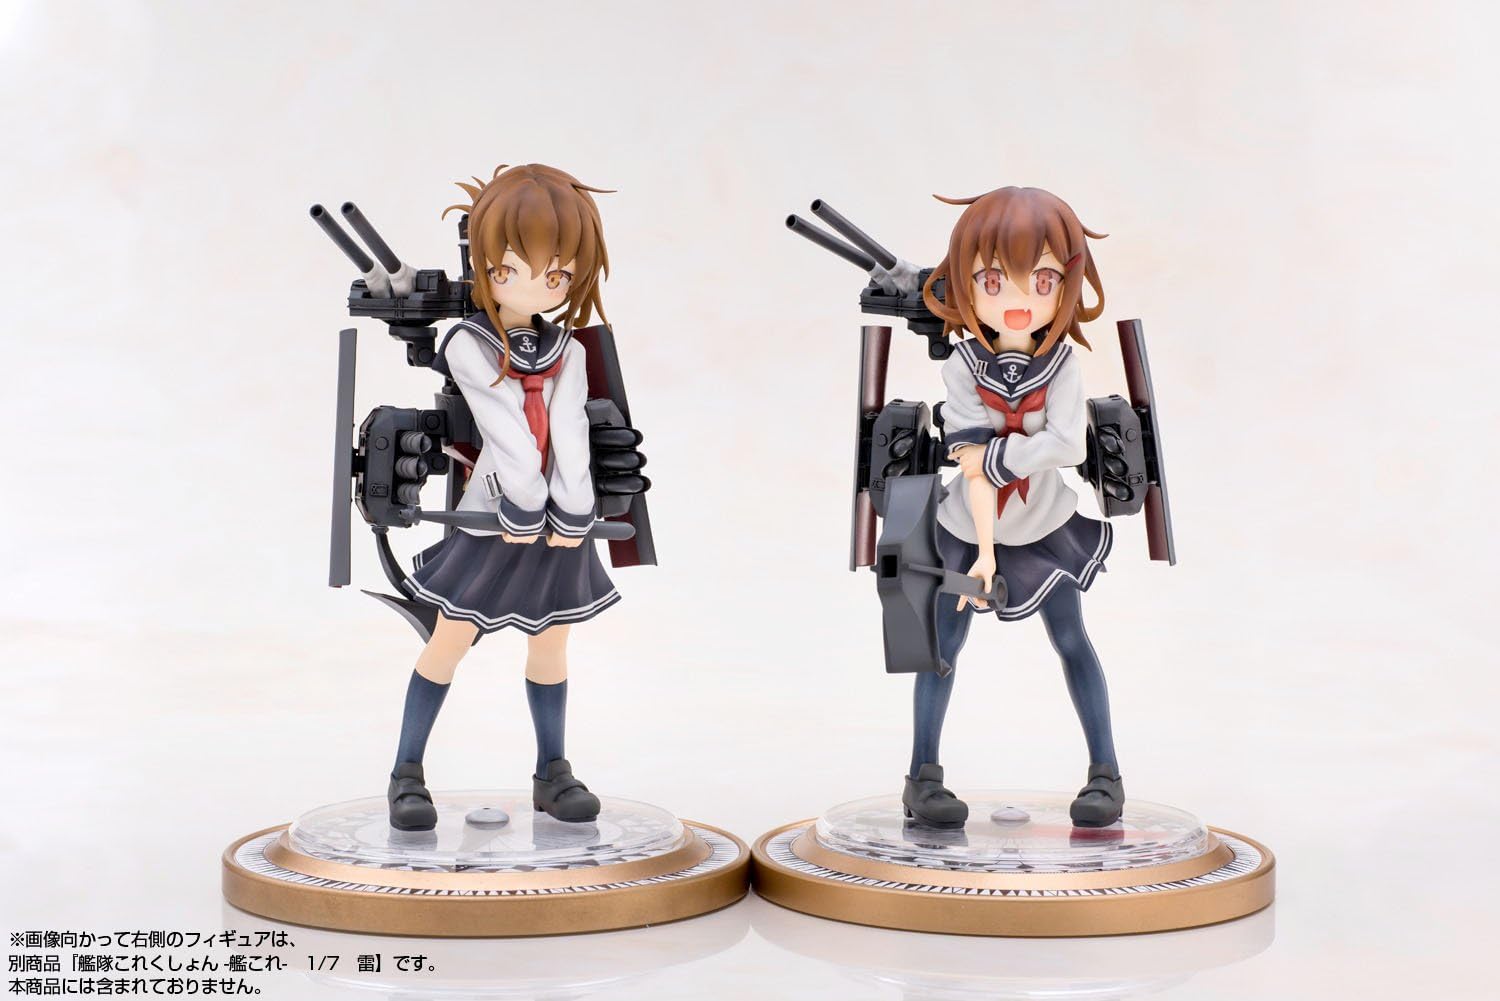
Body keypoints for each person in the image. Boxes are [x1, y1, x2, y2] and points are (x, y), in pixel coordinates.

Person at [387, 163, 619, 830]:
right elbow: (505, 427)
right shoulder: (468, 342)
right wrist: (523, 503)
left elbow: (569, 429)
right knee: (449, 639)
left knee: (552, 643)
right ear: (485, 266)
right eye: (513, 269)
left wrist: (573, 507)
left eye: (557, 274)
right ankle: (406, 773)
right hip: (496, 515)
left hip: (555, 525)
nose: (538, 285)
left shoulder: (566, 349)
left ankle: (553, 771)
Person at [902, 186, 1123, 829]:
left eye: (1044, 280)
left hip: (1044, 522)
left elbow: (1066, 443)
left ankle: (1106, 774)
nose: (1019, 299)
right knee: (941, 646)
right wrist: (984, 554)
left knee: (1071, 638)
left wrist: (998, 458)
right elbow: (970, 469)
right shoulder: (963, 364)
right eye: (993, 281)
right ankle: (922, 777)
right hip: (966, 526)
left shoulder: (1061, 364)